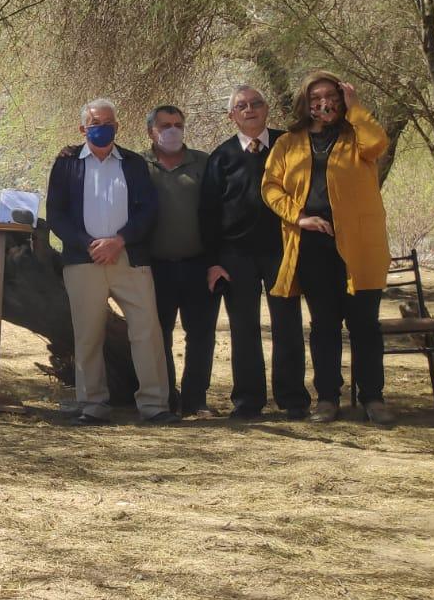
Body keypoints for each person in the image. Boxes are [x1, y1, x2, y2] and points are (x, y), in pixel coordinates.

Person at [262, 73, 393, 425]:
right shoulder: (289, 142)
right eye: (316, 97)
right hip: (312, 246)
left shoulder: (357, 136)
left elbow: (377, 145)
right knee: (324, 326)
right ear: (305, 103)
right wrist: (299, 217)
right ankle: (328, 399)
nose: (325, 103)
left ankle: (373, 398)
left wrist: (356, 107)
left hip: (359, 246)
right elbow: (271, 186)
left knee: (365, 324)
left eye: (332, 96)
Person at [46, 99, 177, 425]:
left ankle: (155, 405)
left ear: (117, 126)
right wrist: (88, 244)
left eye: (108, 123)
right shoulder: (67, 164)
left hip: (129, 259)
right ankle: (93, 406)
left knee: (147, 332)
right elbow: (56, 214)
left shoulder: (133, 163)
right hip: (84, 261)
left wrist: (119, 240)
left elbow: (148, 210)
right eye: (94, 124)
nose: (101, 128)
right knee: (88, 335)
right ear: (83, 129)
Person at [202, 86, 309, 420]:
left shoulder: (287, 145)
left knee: (287, 324)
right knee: (243, 328)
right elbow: (208, 213)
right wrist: (213, 262)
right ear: (231, 115)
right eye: (241, 106)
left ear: (267, 109)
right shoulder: (220, 157)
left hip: (281, 251)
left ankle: (293, 398)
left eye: (256, 103)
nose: (249, 109)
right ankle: (248, 400)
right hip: (236, 256)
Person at [141, 105, 218, 417]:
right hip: (155, 267)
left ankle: (196, 399)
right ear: (151, 131)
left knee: (201, 335)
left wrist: (216, 261)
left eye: (177, 124)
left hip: (198, 264)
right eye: (164, 125)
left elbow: (218, 211)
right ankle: (167, 398)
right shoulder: (138, 165)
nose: (172, 130)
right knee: (159, 336)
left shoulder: (204, 162)